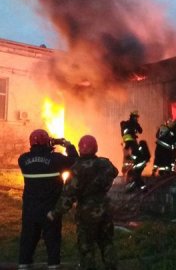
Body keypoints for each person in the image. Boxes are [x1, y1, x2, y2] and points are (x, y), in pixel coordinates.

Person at [47, 135, 119, 270]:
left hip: (87, 212)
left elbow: (68, 195)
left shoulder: (77, 169)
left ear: (80, 149)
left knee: (86, 246)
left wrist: (55, 213)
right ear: (95, 148)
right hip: (105, 208)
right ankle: (111, 267)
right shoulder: (105, 163)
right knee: (107, 242)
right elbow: (115, 172)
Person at [18, 129, 78, 270]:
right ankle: (53, 266)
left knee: (27, 242)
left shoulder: (23, 160)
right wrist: (68, 145)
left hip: (30, 211)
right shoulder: (56, 159)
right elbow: (75, 161)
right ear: (47, 142)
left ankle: (24, 265)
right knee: (52, 242)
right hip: (50, 211)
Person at [120, 110, 147, 191]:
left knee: (127, 158)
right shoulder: (134, 123)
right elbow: (140, 131)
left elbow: (123, 134)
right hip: (131, 141)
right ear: (134, 117)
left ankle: (126, 172)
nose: (137, 118)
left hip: (126, 143)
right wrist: (137, 126)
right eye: (136, 117)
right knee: (134, 157)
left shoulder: (126, 123)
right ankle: (131, 171)